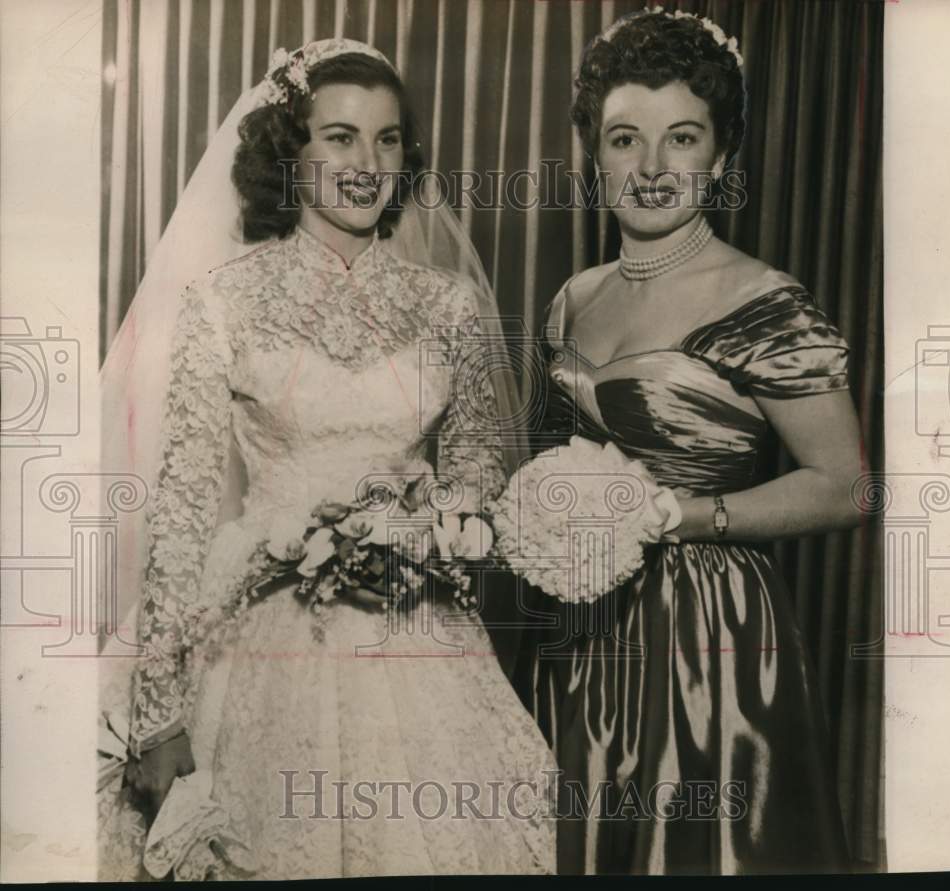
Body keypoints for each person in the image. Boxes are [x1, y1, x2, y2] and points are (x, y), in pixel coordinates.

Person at [97, 38, 555, 880]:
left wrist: (414, 534)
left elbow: (482, 472)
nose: (365, 162)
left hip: (418, 629)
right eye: (339, 136)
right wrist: (159, 715)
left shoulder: (445, 304)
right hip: (266, 626)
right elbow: (183, 508)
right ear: (291, 148)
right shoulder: (223, 301)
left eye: (387, 140)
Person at [511, 9, 862, 875]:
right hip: (582, 626)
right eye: (626, 139)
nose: (654, 168)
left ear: (723, 155)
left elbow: (846, 485)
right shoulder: (573, 299)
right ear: (594, 154)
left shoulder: (767, 299)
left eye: (683, 137)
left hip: (713, 638)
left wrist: (679, 515)